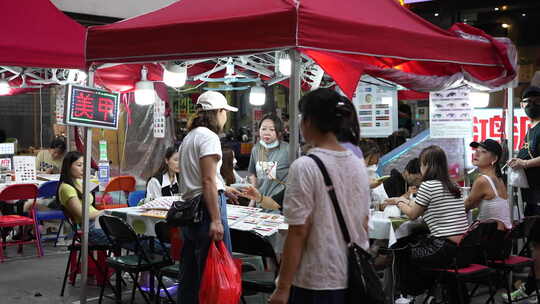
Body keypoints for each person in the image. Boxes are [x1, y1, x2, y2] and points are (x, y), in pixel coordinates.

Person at [268, 88, 370, 304]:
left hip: (314, 279)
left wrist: (283, 287)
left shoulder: (305, 166)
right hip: (351, 277)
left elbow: (297, 231)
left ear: (309, 121)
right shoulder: (358, 162)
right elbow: (364, 221)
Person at [177, 91, 240, 304]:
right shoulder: (209, 137)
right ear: (219, 112)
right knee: (213, 271)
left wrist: (223, 188)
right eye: (225, 113)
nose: (226, 117)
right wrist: (215, 219)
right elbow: (207, 181)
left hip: (190, 210)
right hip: (205, 210)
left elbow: (202, 177)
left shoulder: (190, 137)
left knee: (191, 274)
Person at [386, 145, 469, 301]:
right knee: (414, 241)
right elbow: (420, 209)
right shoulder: (452, 185)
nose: (421, 168)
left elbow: (412, 214)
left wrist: (398, 201)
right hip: (463, 249)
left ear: (428, 166)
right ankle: (431, 293)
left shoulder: (428, 185)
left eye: (422, 164)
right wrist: (404, 200)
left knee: (399, 250)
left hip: (443, 249)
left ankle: (404, 296)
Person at [506, 77, 540, 303]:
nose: (528, 105)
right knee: (535, 245)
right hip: (531, 195)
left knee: (538, 245)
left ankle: (531, 287)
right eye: (525, 102)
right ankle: (530, 286)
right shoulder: (531, 129)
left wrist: (525, 163)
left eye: (532, 101)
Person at [57, 151, 108, 245]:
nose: (84, 168)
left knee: (134, 235)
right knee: (130, 237)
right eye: (79, 165)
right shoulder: (67, 188)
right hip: (89, 229)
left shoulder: (78, 182)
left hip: (97, 223)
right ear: (68, 166)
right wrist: (106, 212)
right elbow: (84, 216)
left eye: (85, 165)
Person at [465, 139, 511, 229]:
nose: (476, 154)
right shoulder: (498, 178)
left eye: (483, 152)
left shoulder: (482, 181)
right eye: (476, 151)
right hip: (502, 237)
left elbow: (466, 207)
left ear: (494, 159)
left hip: (490, 239)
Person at [248, 114, 290, 208]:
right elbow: (253, 174)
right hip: (260, 204)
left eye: (271, 129)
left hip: (278, 206)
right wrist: (252, 201)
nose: (266, 133)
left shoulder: (287, 149)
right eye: (263, 129)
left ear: (279, 132)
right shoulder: (256, 149)